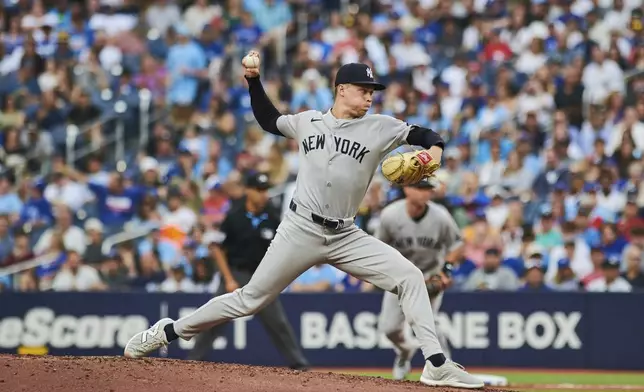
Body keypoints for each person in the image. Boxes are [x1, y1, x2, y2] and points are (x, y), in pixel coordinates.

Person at [124, 51, 483, 389]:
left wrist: (433, 151)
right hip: (300, 229)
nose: (371, 96)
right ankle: (169, 332)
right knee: (249, 299)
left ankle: (436, 364)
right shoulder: (308, 121)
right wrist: (253, 80)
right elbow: (268, 119)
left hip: (346, 234)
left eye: (373, 91)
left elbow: (426, 134)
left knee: (409, 277)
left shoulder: (381, 127)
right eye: (364, 90)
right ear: (342, 90)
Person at [187, 172, 309, 370]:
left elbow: (283, 247)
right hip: (235, 273)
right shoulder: (234, 216)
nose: (263, 195)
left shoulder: (272, 215)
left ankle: (299, 364)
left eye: (266, 190)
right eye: (259, 190)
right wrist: (227, 279)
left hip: (262, 276)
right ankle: (194, 359)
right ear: (248, 191)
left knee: (278, 323)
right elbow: (218, 248)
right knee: (214, 318)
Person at [376, 179, 463, 381]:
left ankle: (446, 368)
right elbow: (377, 246)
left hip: (429, 275)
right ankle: (405, 352)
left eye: (428, 189)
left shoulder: (440, 216)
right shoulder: (390, 215)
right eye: (420, 188)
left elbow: (457, 245)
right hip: (400, 277)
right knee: (389, 329)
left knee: (429, 322)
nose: (426, 193)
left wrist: (446, 271)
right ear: (407, 189)